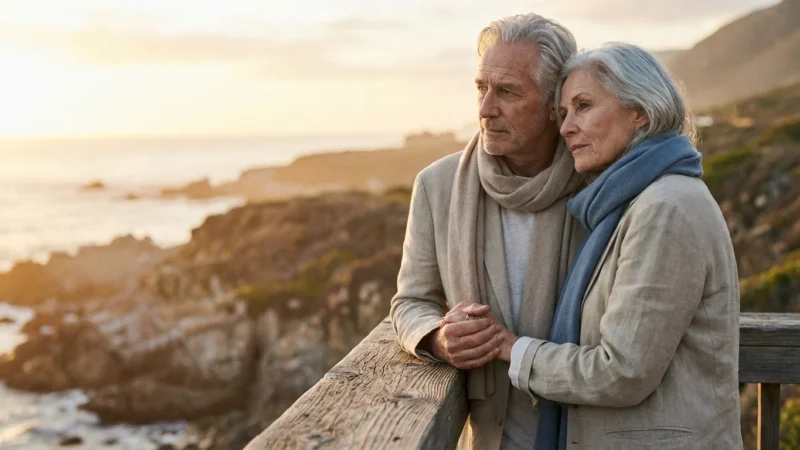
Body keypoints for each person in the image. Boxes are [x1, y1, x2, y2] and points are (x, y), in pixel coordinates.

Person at [447, 43, 744, 449]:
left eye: (584, 106)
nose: (567, 126)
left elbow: (621, 371)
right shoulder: (628, 203)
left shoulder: (666, 208)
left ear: (640, 110)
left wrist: (510, 347)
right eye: (564, 112)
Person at [390, 14, 585, 450]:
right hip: (488, 437)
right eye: (481, 88)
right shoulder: (436, 186)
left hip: (584, 431)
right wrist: (438, 338)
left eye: (507, 92)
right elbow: (410, 300)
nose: (485, 109)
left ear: (556, 103)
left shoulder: (597, 185)